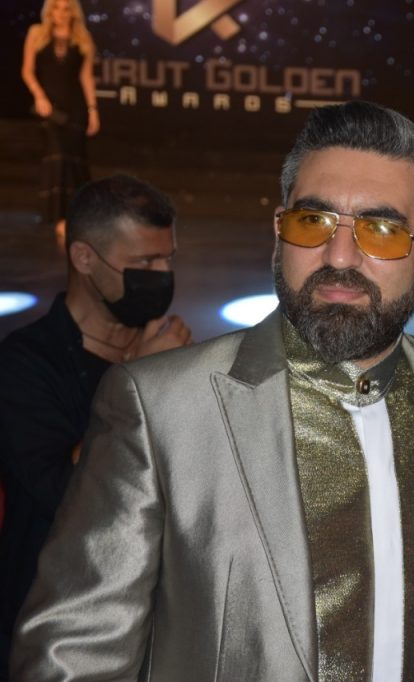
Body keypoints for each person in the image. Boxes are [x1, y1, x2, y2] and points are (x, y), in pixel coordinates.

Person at [13, 101, 414, 681]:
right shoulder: (162, 408)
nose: (339, 256)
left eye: (381, 229)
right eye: (312, 221)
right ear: (279, 235)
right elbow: (73, 657)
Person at [0, 174, 190, 675]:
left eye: (168, 259)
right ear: (84, 259)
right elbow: (63, 492)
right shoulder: (24, 365)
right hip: (55, 636)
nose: (163, 274)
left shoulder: (171, 354)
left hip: (150, 633)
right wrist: (137, 383)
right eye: (145, 263)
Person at [21, 0, 100, 231]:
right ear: (50, 11)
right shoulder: (36, 33)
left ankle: (76, 217)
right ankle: (60, 218)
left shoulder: (83, 38)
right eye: (57, 8)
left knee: (75, 160)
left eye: (66, 9)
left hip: (76, 108)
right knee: (57, 156)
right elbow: (27, 71)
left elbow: (86, 77)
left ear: (73, 12)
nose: (62, 13)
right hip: (50, 108)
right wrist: (39, 97)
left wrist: (93, 110)